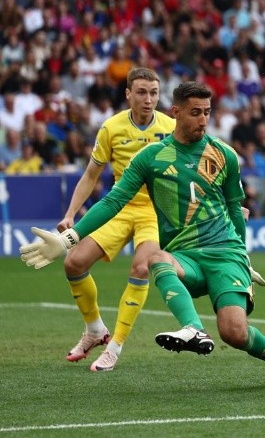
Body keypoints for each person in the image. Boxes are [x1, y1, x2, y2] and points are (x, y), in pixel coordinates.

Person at [20, 82, 265, 386]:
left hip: (225, 254)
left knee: (234, 332)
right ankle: (193, 328)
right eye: (195, 113)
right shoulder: (150, 158)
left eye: (207, 113)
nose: (203, 119)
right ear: (175, 112)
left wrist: (244, 258)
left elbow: (235, 209)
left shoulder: (224, 154)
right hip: (185, 257)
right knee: (157, 259)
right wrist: (70, 237)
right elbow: (113, 201)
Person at [48, 68, 176, 372]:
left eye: (154, 93)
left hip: (154, 212)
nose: (148, 99)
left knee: (142, 266)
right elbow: (91, 174)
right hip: (119, 208)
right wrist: (70, 214)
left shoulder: (172, 128)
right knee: (73, 263)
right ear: (128, 94)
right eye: (142, 92)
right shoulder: (111, 128)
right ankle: (94, 329)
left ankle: (114, 347)